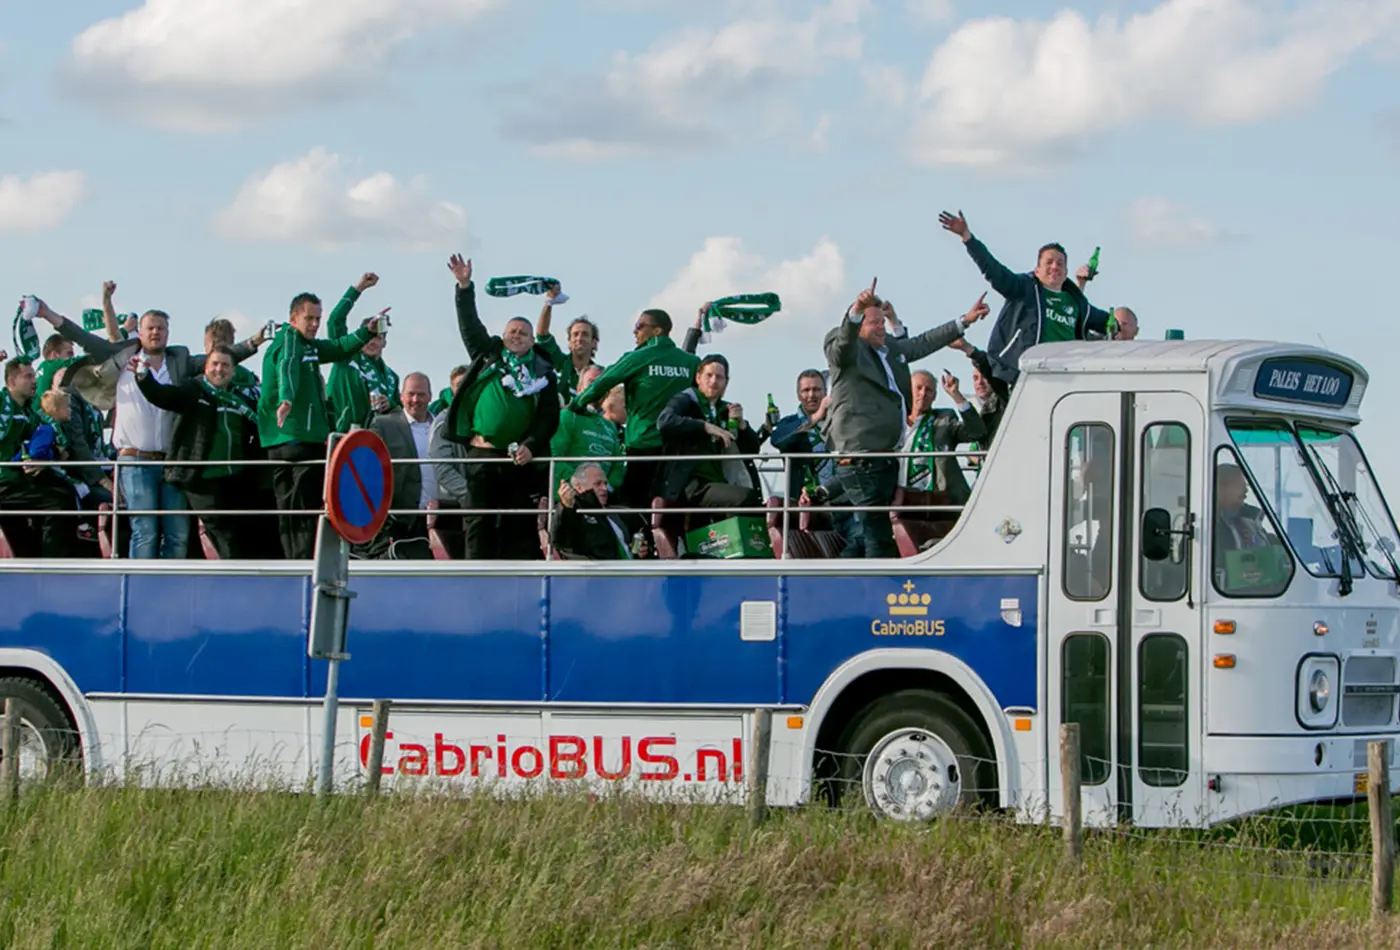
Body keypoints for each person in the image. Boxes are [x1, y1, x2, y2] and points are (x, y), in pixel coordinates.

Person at [35, 297, 260, 559]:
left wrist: (254, 342)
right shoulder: (122, 357)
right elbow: (83, 337)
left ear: (168, 333)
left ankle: (168, 593)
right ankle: (141, 592)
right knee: (145, 530)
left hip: (171, 462)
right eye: (150, 328)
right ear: (139, 333)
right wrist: (47, 313)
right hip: (134, 460)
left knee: (178, 532)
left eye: (161, 328)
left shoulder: (180, 360)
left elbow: (218, 360)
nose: (156, 332)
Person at [823, 287, 989, 559]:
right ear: (858, 323)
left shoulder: (889, 350)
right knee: (876, 535)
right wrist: (854, 311)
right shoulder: (847, 349)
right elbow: (842, 345)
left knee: (874, 532)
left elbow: (923, 342)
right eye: (874, 322)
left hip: (886, 457)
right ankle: (875, 590)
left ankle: (858, 584)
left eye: (881, 321)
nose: (881, 327)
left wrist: (965, 320)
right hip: (860, 456)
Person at [442, 253, 561, 560]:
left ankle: (518, 587)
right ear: (504, 336)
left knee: (519, 525)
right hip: (482, 453)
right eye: (512, 332)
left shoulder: (544, 370)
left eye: (523, 333)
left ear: (533, 340)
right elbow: (470, 326)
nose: (516, 336)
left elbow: (549, 418)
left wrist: (531, 445)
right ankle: (475, 585)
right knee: (479, 522)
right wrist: (464, 286)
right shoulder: (489, 354)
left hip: (519, 459)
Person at [258, 288, 381, 560]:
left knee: (299, 511)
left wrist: (366, 332)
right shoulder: (290, 340)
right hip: (292, 439)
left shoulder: (308, 345)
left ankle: (300, 563)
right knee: (299, 512)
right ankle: (300, 567)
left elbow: (337, 348)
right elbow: (287, 367)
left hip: (302, 438)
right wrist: (286, 399)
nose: (314, 324)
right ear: (293, 320)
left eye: (317, 318)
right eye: (309, 319)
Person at [938, 210, 1112, 387]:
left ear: (1066, 272)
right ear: (1036, 270)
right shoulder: (1025, 288)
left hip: (1065, 378)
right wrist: (967, 238)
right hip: (1027, 376)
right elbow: (994, 270)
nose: (1055, 267)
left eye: (1060, 264)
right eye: (1049, 262)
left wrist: (1121, 322)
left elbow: (1109, 322)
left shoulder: (1076, 302)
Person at [133, 345, 268, 559]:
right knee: (225, 532)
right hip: (203, 479)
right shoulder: (194, 390)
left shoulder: (240, 397)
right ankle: (239, 580)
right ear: (206, 368)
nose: (219, 369)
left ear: (233, 371)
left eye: (225, 365)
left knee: (249, 529)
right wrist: (143, 377)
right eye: (214, 364)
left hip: (235, 478)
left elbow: (258, 428)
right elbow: (164, 396)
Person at [570, 307, 700, 509]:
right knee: (673, 504)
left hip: (643, 443)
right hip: (679, 446)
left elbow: (603, 382)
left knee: (635, 505)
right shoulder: (690, 362)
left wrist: (576, 404)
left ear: (657, 331)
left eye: (640, 326)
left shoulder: (638, 357)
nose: (634, 331)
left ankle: (639, 540)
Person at [655, 354, 761, 511]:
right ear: (698, 378)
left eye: (719, 377)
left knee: (754, 500)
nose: (713, 381)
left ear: (726, 382)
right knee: (745, 498)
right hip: (692, 485)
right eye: (709, 375)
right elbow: (664, 421)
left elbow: (752, 450)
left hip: (720, 482)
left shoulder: (727, 409)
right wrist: (705, 427)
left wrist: (742, 425)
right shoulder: (685, 400)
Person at [0, 359, 77, 557]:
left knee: (66, 491)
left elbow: (49, 446)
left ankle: (37, 567)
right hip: (5, 482)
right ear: (11, 381)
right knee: (59, 503)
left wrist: (45, 459)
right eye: (28, 376)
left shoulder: (29, 413)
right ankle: (53, 567)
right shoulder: (2, 403)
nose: (35, 381)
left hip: (19, 481)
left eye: (34, 375)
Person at [896, 370, 985, 538]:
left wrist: (956, 395)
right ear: (908, 390)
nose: (923, 394)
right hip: (902, 503)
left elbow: (977, 432)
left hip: (941, 501)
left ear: (935, 396)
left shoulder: (944, 419)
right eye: (919, 388)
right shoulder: (893, 422)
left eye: (929, 390)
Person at [369, 372, 436, 553]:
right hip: (398, 520)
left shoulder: (441, 428)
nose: (415, 400)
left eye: (421, 394)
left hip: (439, 518)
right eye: (411, 394)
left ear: (430, 396)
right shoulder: (383, 425)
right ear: (401, 397)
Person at [326, 273, 402, 432]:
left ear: (384, 342)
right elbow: (335, 321)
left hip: (377, 438)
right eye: (368, 336)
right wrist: (358, 288)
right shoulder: (345, 356)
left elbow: (402, 410)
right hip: (342, 435)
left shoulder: (391, 377)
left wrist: (390, 404)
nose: (372, 342)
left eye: (377, 337)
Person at [551, 462, 654, 560]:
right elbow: (560, 539)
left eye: (605, 483)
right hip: (598, 574)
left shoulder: (618, 512)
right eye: (598, 484)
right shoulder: (573, 512)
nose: (604, 488)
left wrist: (641, 551)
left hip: (633, 571)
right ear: (579, 487)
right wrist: (566, 508)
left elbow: (637, 543)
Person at [549, 365, 625, 493]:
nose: (596, 388)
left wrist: (606, 487)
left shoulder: (610, 426)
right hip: (571, 498)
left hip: (603, 500)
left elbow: (617, 466)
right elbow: (554, 456)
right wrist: (582, 484)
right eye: (591, 382)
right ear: (579, 389)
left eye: (601, 383)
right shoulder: (567, 416)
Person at [535, 288, 602, 397]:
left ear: (594, 343)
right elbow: (542, 335)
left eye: (585, 334)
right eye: (575, 334)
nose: (579, 338)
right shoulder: (559, 362)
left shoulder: (598, 374)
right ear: (569, 342)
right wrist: (549, 303)